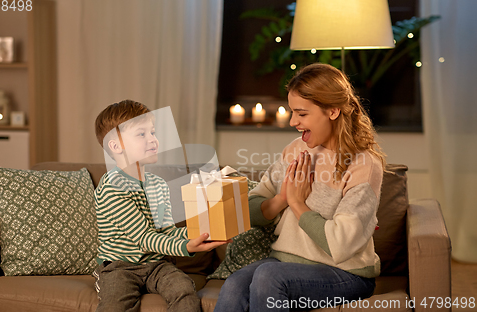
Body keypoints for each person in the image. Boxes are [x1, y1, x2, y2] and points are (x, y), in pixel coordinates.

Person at [214, 63, 386, 312]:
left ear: (333, 111)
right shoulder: (296, 149)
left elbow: (340, 244)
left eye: (302, 114)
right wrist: (282, 199)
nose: (293, 121)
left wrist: (297, 203)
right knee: (235, 284)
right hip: (282, 262)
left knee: (269, 277)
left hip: (344, 273)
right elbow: (248, 210)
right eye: (292, 112)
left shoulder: (363, 165)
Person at [93, 100, 226, 312]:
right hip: (120, 267)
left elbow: (166, 230)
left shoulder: (157, 184)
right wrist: (187, 247)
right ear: (116, 146)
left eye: (153, 133)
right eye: (141, 134)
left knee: (184, 289)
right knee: (114, 304)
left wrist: (200, 232)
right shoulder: (113, 187)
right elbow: (145, 239)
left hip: (157, 264)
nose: (153, 140)